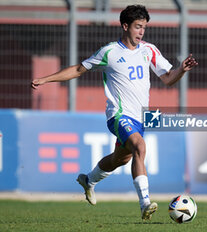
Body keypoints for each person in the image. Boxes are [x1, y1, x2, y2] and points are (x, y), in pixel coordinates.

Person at [31, 5, 198, 221]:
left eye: (144, 28)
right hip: (118, 116)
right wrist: (45, 79)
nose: (141, 32)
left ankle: (88, 180)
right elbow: (78, 69)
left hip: (139, 119)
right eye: (138, 27)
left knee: (121, 159)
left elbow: (167, 78)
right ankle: (145, 203)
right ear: (125, 26)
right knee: (140, 146)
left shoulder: (149, 50)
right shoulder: (109, 52)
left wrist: (181, 70)